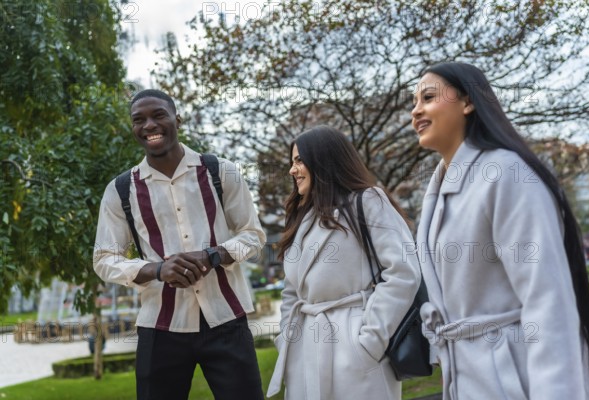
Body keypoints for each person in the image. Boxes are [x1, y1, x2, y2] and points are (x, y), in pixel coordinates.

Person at [412, 62, 589, 399]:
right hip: (468, 381)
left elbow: (548, 302)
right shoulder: (437, 192)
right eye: (414, 103)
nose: (416, 111)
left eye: (428, 97)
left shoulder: (506, 173)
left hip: (520, 379)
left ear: (468, 102)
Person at [93, 89, 266, 400]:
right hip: (160, 327)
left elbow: (253, 234)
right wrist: (158, 269)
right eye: (138, 120)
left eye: (158, 115)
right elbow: (104, 258)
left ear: (177, 119)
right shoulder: (120, 190)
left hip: (227, 320)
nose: (149, 125)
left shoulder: (220, 171)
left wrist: (214, 255)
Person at [266, 126, 421, 399]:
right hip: (304, 347)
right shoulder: (301, 217)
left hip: (355, 346)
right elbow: (292, 290)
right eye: (292, 162)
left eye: (299, 160)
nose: (293, 170)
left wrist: (370, 341)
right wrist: (285, 338)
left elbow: (403, 272)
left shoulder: (368, 201)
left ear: (324, 159)